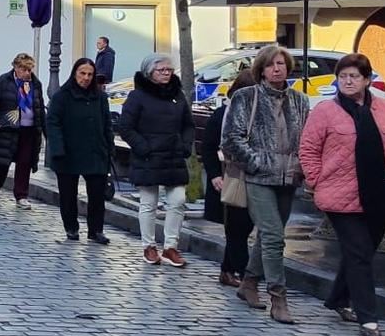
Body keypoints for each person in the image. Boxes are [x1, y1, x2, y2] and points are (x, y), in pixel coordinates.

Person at [300, 53, 385, 336]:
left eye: (354, 76)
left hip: (378, 192)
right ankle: (368, 317)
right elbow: (308, 149)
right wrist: (317, 180)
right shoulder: (325, 111)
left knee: (362, 252)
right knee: (359, 252)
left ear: (367, 80)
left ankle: (338, 298)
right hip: (339, 195)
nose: (348, 81)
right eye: (342, 76)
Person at [223, 45, 311, 324]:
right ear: (261, 69)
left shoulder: (299, 100)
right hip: (258, 177)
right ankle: (278, 296)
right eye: (272, 64)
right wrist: (257, 162)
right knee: (273, 235)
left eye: (282, 64)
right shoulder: (246, 97)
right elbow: (231, 138)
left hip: (289, 177)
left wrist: (303, 168)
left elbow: (306, 139)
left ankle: (248, 282)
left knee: (268, 236)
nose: (277, 69)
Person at [120, 52, 194, 268]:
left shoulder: (177, 95)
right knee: (148, 203)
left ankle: (171, 246)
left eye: (169, 70)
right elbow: (126, 127)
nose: (166, 74)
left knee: (178, 200)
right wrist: (143, 147)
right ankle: (149, 246)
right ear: (149, 72)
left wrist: (185, 145)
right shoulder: (138, 96)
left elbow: (187, 124)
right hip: (148, 157)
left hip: (173, 156)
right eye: (161, 70)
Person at [45, 57, 114, 243]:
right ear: (75, 73)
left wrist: (109, 148)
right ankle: (71, 228)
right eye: (82, 73)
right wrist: (58, 148)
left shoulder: (100, 97)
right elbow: (52, 123)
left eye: (90, 74)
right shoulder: (62, 96)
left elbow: (107, 124)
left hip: (95, 151)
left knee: (97, 195)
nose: (86, 78)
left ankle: (96, 230)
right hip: (68, 152)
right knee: (68, 195)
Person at [203, 73, 255, 292]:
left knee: (242, 228)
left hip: (253, 176)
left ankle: (227, 269)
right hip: (228, 177)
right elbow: (208, 147)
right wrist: (215, 175)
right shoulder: (223, 114)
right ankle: (244, 275)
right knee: (235, 227)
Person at [0, 52, 44, 208]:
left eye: (30, 70)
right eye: (24, 69)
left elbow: (39, 107)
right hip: (8, 129)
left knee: (25, 163)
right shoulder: (4, 81)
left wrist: (44, 129)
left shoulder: (36, 84)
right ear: (16, 68)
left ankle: (21, 196)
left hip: (28, 130)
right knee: (3, 162)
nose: (27, 73)